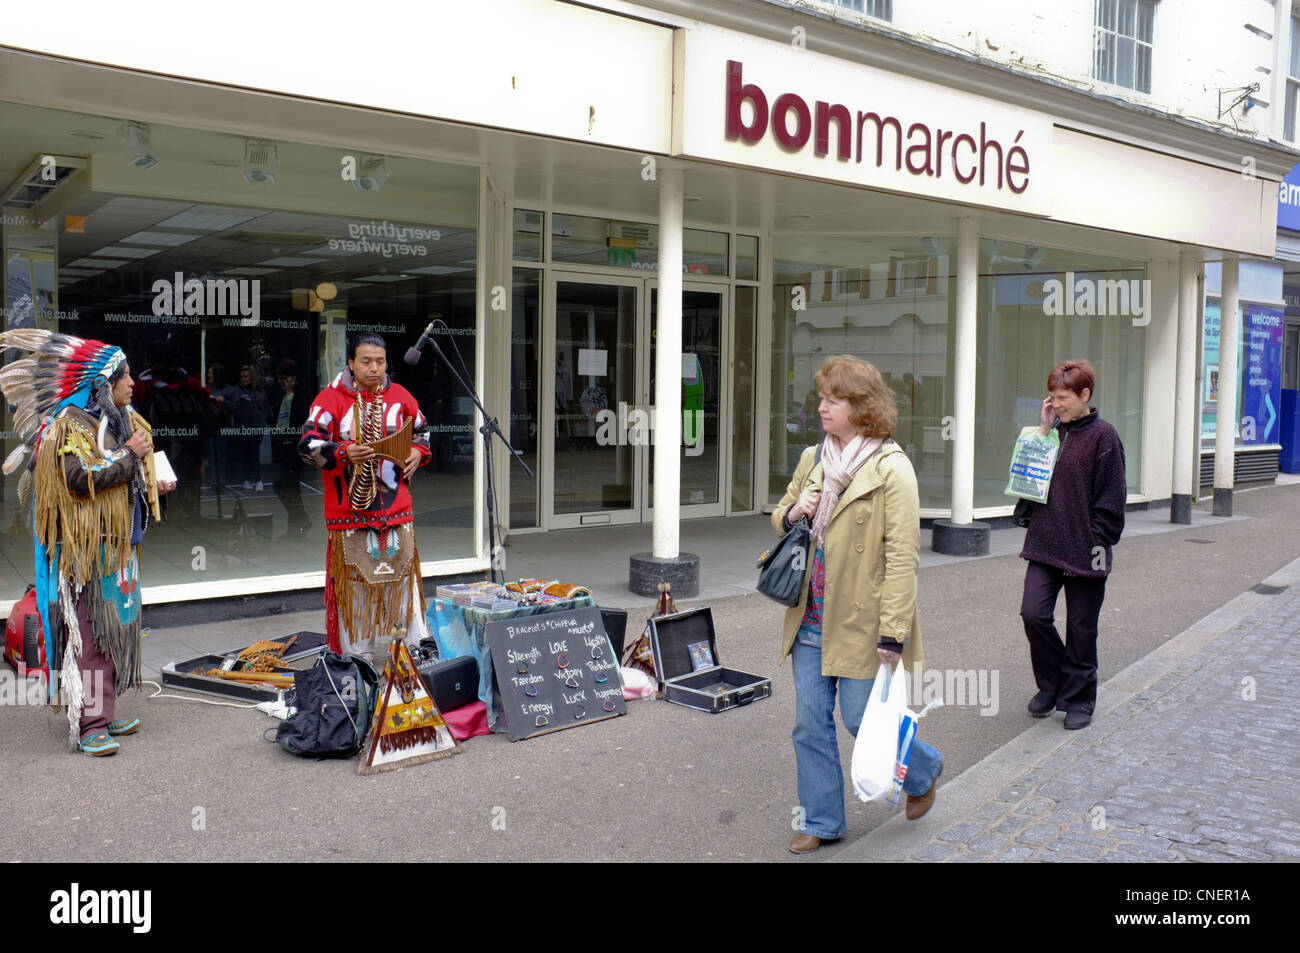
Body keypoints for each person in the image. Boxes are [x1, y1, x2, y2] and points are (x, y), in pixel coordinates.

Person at [771, 354, 942, 855]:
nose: (821, 407)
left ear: (861, 407)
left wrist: (893, 632)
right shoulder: (813, 459)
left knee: (861, 719)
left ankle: (924, 770)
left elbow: (902, 557)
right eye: (821, 398)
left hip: (864, 620)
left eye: (832, 400)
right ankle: (821, 819)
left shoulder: (892, 469)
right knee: (808, 719)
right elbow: (782, 515)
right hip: (809, 612)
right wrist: (793, 512)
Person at [0, 329, 174, 756]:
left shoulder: (118, 421)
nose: (133, 382)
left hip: (117, 549)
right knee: (91, 636)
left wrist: (154, 481)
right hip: (85, 553)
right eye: (125, 376)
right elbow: (79, 481)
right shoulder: (66, 425)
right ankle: (90, 723)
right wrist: (131, 456)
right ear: (102, 384)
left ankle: (105, 710)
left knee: (114, 630)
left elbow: (121, 475)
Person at [297, 334, 432, 662]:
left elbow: (423, 433)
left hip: (396, 513)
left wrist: (417, 451)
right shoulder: (330, 400)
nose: (374, 368)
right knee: (355, 590)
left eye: (380, 361)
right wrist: (343, 452)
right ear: (351, 363)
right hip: (349, 516)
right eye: (366, 361)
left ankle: (418, 657)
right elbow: (307, 446)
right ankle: (358, 662)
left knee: (403, 587)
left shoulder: (401, 398)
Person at [1018, 359, 1126, 731]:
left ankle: (1080, 697)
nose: (1057, 403)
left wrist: (1098, 539)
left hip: (1087, 548)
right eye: (1052, 397)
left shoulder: (1105, 437)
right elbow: (1026, 483)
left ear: (1085, 395)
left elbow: (1113, 498)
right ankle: (1053, 684)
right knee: (1033, 614)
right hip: (1046, 542)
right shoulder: (1049, 434)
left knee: (1082, 628)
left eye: (1063, 397)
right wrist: (1044, 430)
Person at [267, 358, 312, 536]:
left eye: (284, 378)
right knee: (287, 487)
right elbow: (274, 416)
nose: (281, 381)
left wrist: (291, 393)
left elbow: (300, 415)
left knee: (286, 485)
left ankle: (299, 522)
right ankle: (299, 522)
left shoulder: (302, 392)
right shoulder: (278, 393)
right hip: (280, 442)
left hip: (295, 444)